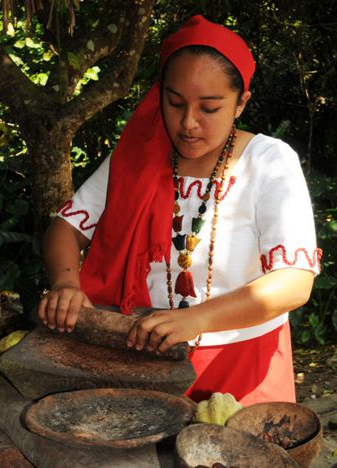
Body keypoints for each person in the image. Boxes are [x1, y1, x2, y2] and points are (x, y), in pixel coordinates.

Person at [38, 15, 321, 405]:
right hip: (147, 355)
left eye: (209, 108)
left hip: (243, 360)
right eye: (174, 103)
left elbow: (294, 280)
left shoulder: (268, 161)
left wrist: (196, 319)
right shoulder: (137, 158)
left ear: (241, 103)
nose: (188, 124)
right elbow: (66, 227)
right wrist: (67, 285)